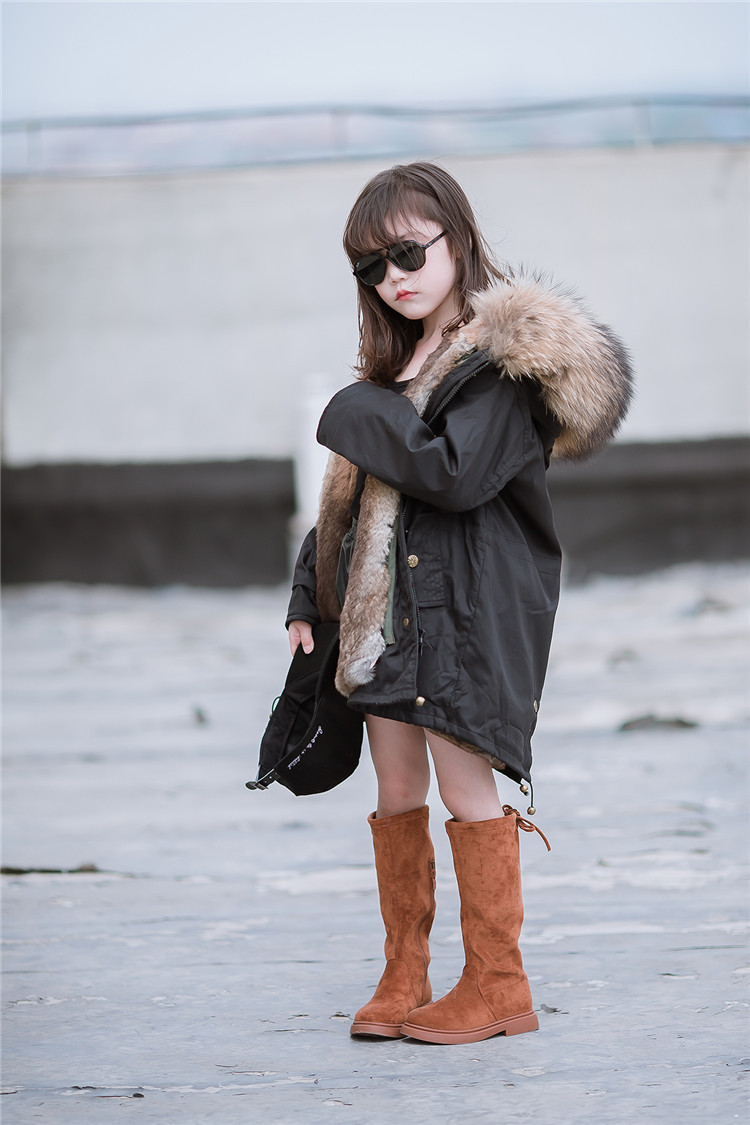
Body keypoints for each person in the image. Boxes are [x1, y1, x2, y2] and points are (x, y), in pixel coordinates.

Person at [285, 161, 632, 1045]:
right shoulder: (393, 371)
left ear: (458, 236)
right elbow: (347, 504)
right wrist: (308, 598)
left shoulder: (499, 366)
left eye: (407, 251)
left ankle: (499, 984)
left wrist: (357, 408)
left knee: (466, 786)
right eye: (371, 266)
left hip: (461, 612)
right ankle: (405, 973)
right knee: (396, 785)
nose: (393, 276)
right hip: (382, 617)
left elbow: (453, 475)